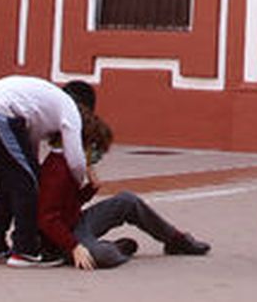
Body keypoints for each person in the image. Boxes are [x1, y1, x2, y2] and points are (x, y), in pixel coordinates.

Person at [38, 113, 210, 269]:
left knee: (127, 200)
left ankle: (175, 239)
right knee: (102, 255)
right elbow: (47, 218)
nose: (97, 156)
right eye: (96, 149)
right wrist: (73, 246)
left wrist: (90, 189)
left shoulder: (72, 163)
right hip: (62, 237)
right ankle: (116, 248)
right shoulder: (57, 169)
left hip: (76, 223)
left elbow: (67, 204)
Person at [0, 75, 99, 267]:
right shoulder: (70, 108)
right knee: (25, 183)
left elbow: (26, 150)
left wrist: (34, 174)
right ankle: (25, 250)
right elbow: (75, 159)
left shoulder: (46, 101)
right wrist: (78, 182)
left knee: (13, 180)